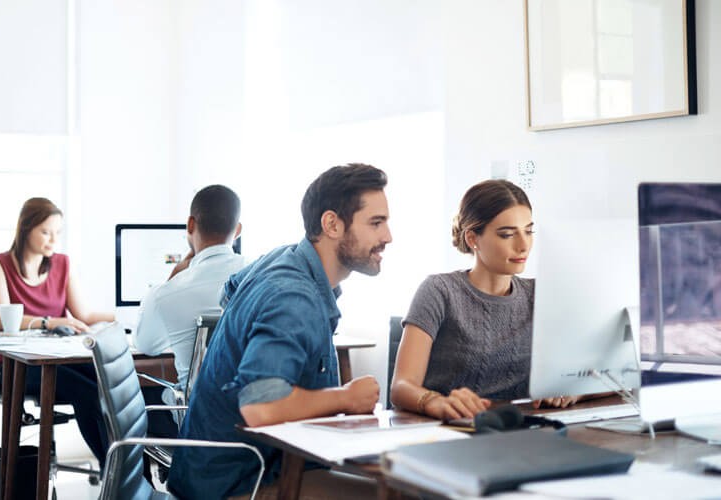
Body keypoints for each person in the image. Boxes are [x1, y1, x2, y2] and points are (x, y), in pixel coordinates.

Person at [167, 164, 392, 499]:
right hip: (238, 484)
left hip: (218, 473)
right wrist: (345, 397)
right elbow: (261, 408)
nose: (387, 236)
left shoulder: (285, 258)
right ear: (331, 224)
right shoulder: (294, 296)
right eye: (376, 223)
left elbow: (228, 293)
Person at [390, 179, 578, 421]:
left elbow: (595, 375)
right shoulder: (439, 290)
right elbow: (401, 387)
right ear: (472, 239)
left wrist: (572, 392)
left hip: (517, 430)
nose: (523, 245)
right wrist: (435, 402)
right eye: (507, 234)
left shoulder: (540, 295)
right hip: (447, 429)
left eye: (529, 231)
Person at [0, 197, 114, 467]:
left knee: (107, 379)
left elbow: (85, 316)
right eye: (45, 232)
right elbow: (0, 320)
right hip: (18, 365)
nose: (53, 240)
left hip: (59, 357)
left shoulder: (63, 264)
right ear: (25, 229)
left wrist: (126, 315)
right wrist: (50, 321)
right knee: (87, 392)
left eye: (58, 232)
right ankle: (114, 470)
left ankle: (128, 471)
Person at [133, 184, 245, 432]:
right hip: (256, 424)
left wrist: (172, 278)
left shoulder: (167, 293)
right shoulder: (262, 275)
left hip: (199, 428)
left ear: (190, 225)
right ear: (237, 231)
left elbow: (146, 345)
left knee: (147, 397)